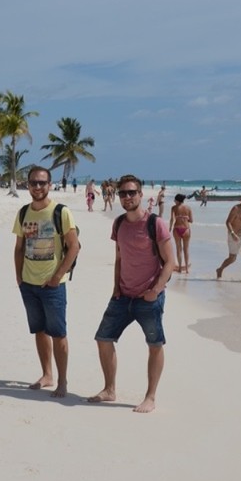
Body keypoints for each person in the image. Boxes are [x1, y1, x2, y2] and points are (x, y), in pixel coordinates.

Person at [88, 175, 175, 413]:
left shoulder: (155, 224)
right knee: (103, 339)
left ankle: (150, 397)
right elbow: (119, 258)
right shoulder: (118, 224)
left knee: (154, 344)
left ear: (140, 194)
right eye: (123, 193)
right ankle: (109, 389)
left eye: (131, 192)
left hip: (149, 298)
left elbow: (170, 263)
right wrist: (116, 287)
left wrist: (155, 291)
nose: (127, 197)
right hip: (122, 296)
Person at [13, 166, 80, 398]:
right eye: (33, 183)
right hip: (29, 285)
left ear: (49, 185)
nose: (38, 187)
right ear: (28, 185)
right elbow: (19, 248)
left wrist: (56, 277)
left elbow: (74, 247)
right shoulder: (23, 213)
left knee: (58, 333)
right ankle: (47, 374)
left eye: (42, 183)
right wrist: (19, 277)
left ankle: (62, 381)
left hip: (53, 286)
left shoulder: (60, 212)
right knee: (39, 331)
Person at [216, 192, 241, 280]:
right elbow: (228, 222)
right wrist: (233, 234)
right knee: (232, 258)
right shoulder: (236, 208)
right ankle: (220, 269)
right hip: (234, 235)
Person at [170, 193, 193, 273]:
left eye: (175, 200)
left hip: (176, 229)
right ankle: (186, 269)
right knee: (186, 249)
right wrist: (186, 218)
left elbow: (172, 219)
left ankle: (179, 268)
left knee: (178, 249)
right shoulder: (188, 208)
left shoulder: (173, 208)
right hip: (186, 229)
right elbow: (191, 221)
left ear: (177, 200)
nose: (174, 201)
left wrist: (169, 228)